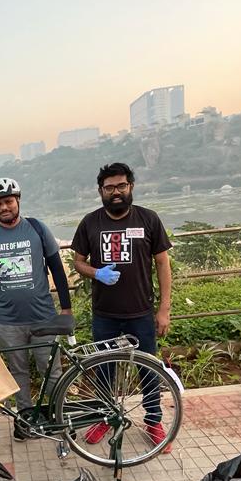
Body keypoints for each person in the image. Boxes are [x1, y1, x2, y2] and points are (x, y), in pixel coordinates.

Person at [71, 162, 174, 451]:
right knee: (104, 370)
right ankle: (105, 416)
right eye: (109, 188)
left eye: (121, 186)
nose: (115, 192)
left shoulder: (148, 219)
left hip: (140, 312)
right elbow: (78, 262)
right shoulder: (90, 222)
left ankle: (153, 420)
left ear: (131, 187)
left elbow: (163, 264)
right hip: (105, 314)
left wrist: (163, 309)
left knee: (149, 370)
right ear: (100, 191)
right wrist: (96, 272)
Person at [0, 177, 72, 439]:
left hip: (43, 316)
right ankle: (25, 421)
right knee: (18, 374)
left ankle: (59, 419)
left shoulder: (37, 229)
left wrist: (66, 308)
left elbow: (57, 269)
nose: (4, 207)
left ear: (17, 201)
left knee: (51, 371)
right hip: (7, 321)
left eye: (8, 201)